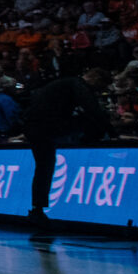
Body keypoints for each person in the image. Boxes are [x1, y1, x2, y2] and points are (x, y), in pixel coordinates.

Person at [22, 60, 95, 225]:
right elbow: (92, 109)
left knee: (43, 167)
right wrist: (108, 129)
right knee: (45, 165)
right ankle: (37, 210)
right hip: (45, 127)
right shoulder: (76, 84)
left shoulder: (54, 86)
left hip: (32, 126)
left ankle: (37, 209)